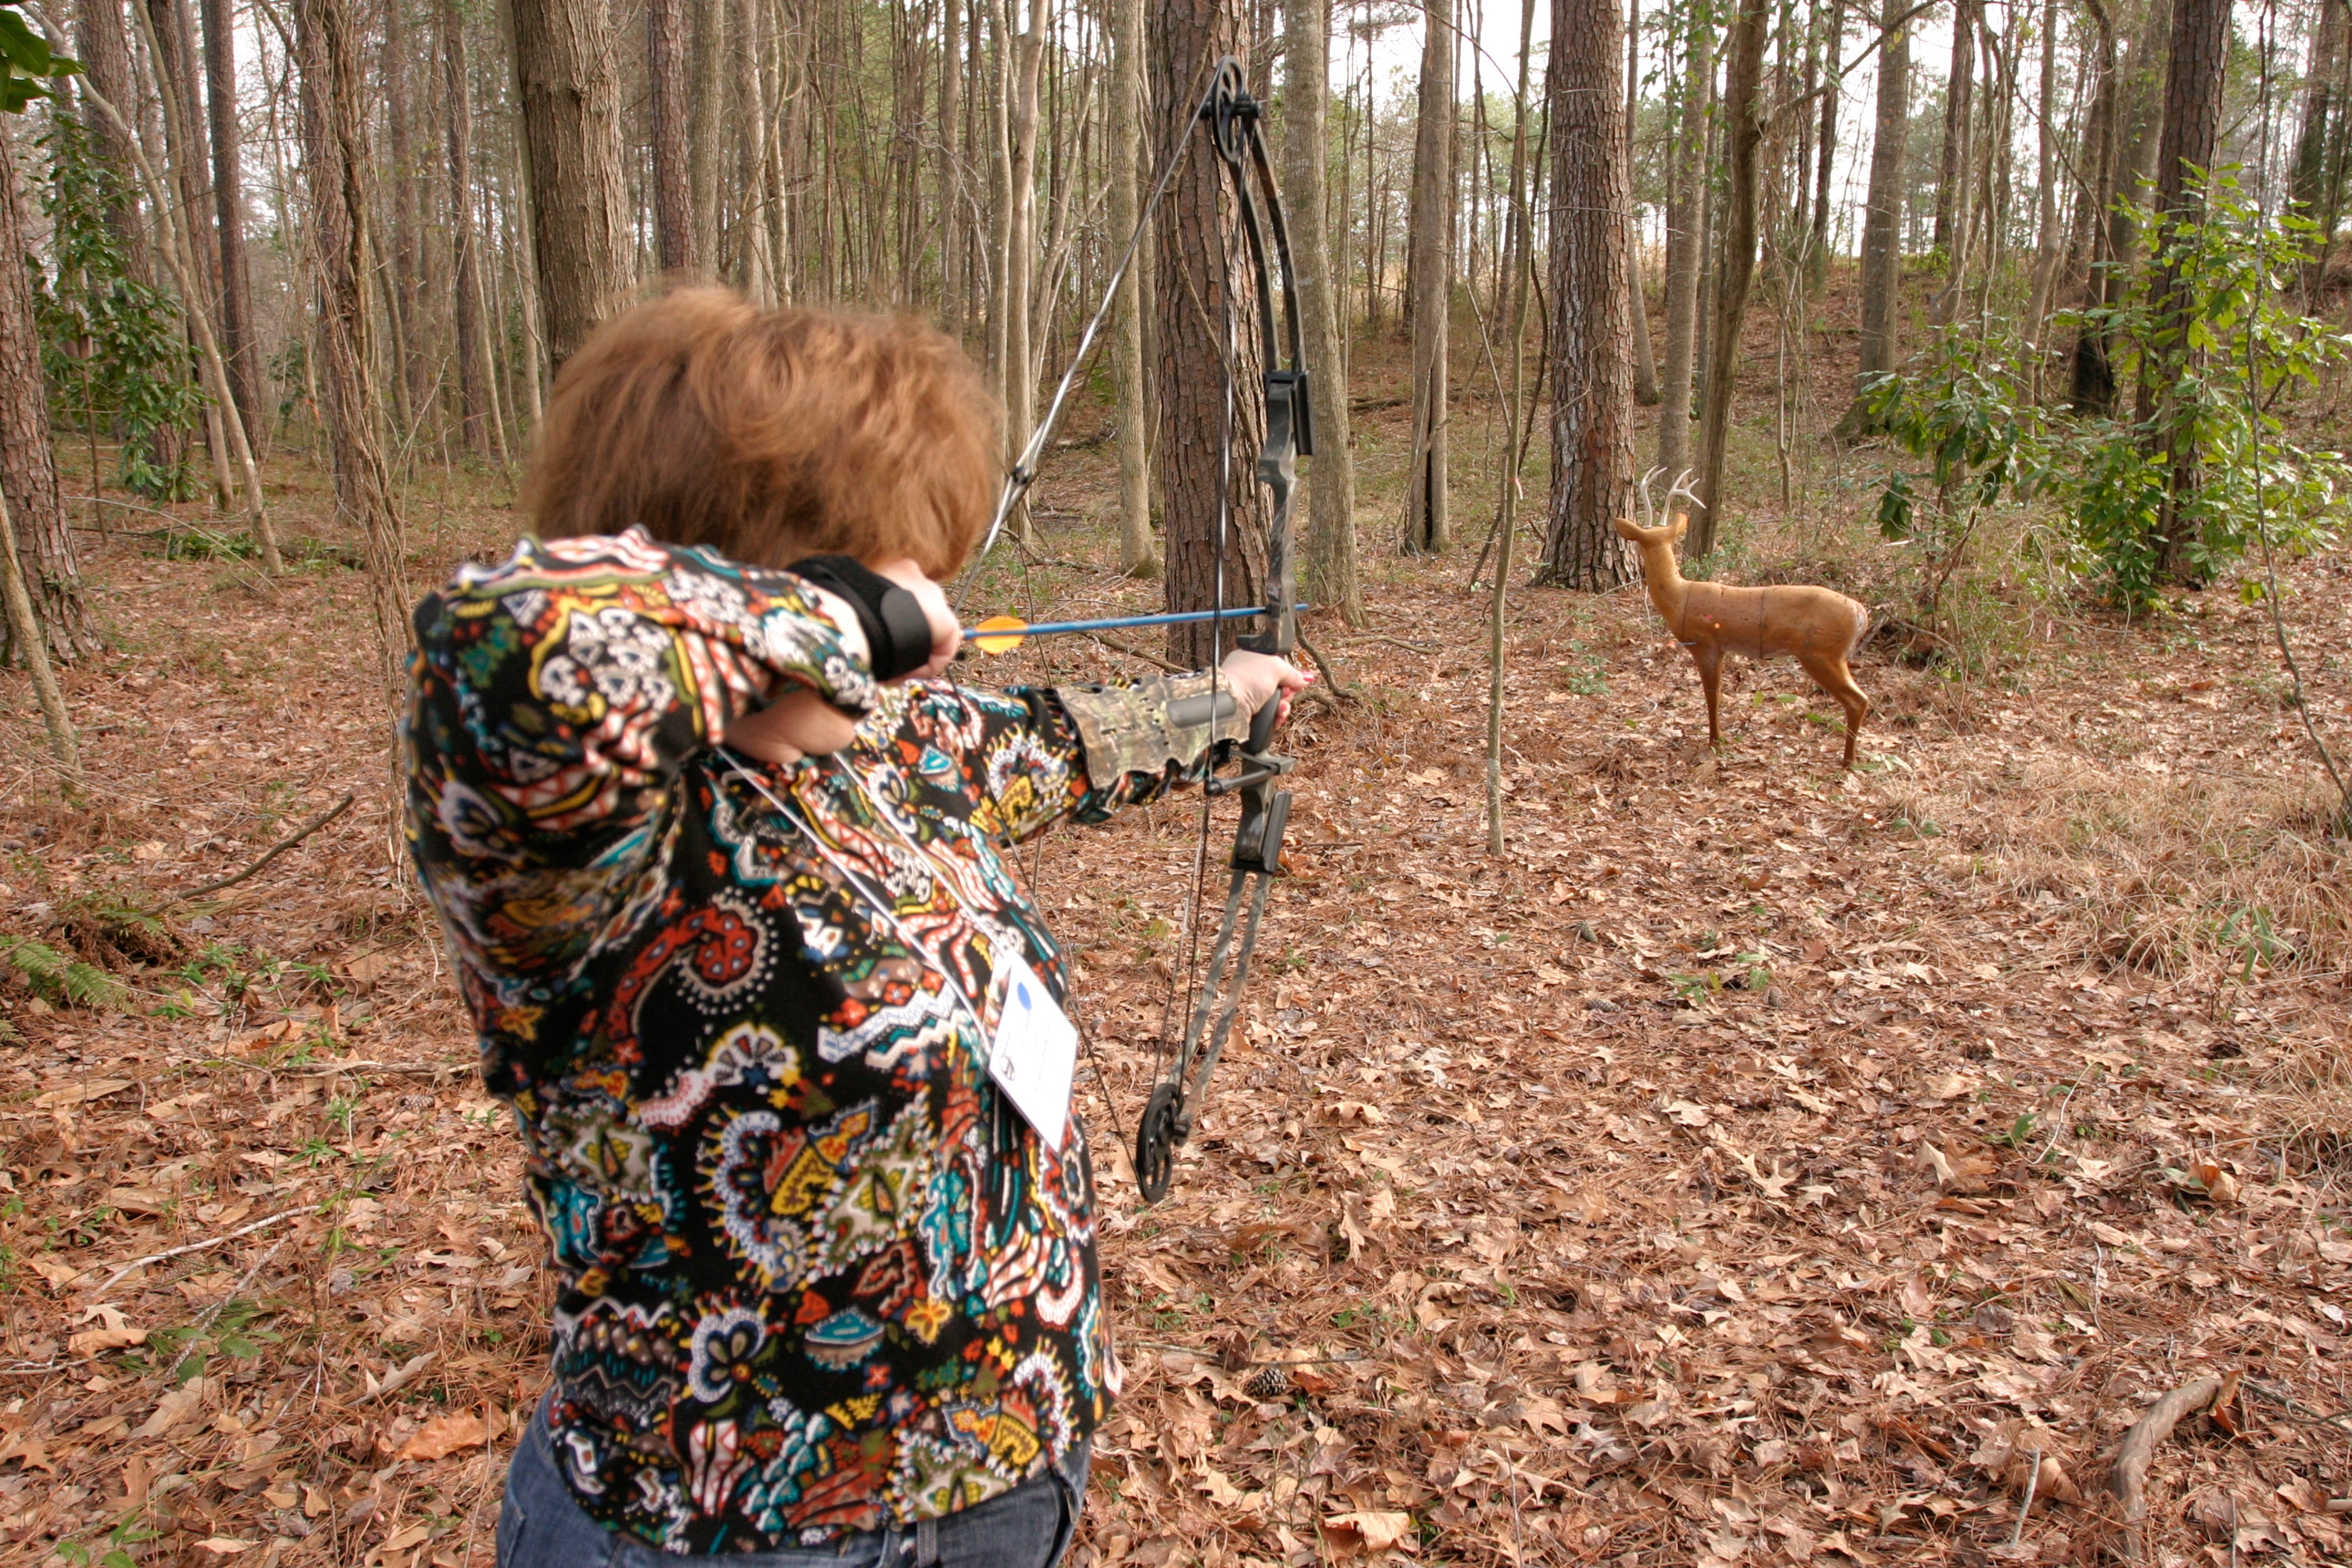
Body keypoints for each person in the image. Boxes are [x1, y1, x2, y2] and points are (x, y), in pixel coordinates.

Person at [402, 288, 1306, 1567]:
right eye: (897, 564)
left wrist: (1226, 699)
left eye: (936, 572)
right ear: (750, 560)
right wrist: (851, 624)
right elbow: (506, 637)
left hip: (1005, 1477)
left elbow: (1060, 742)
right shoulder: (580, 835)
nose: (938, 619)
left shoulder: (889, 746)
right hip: (731, 1529)